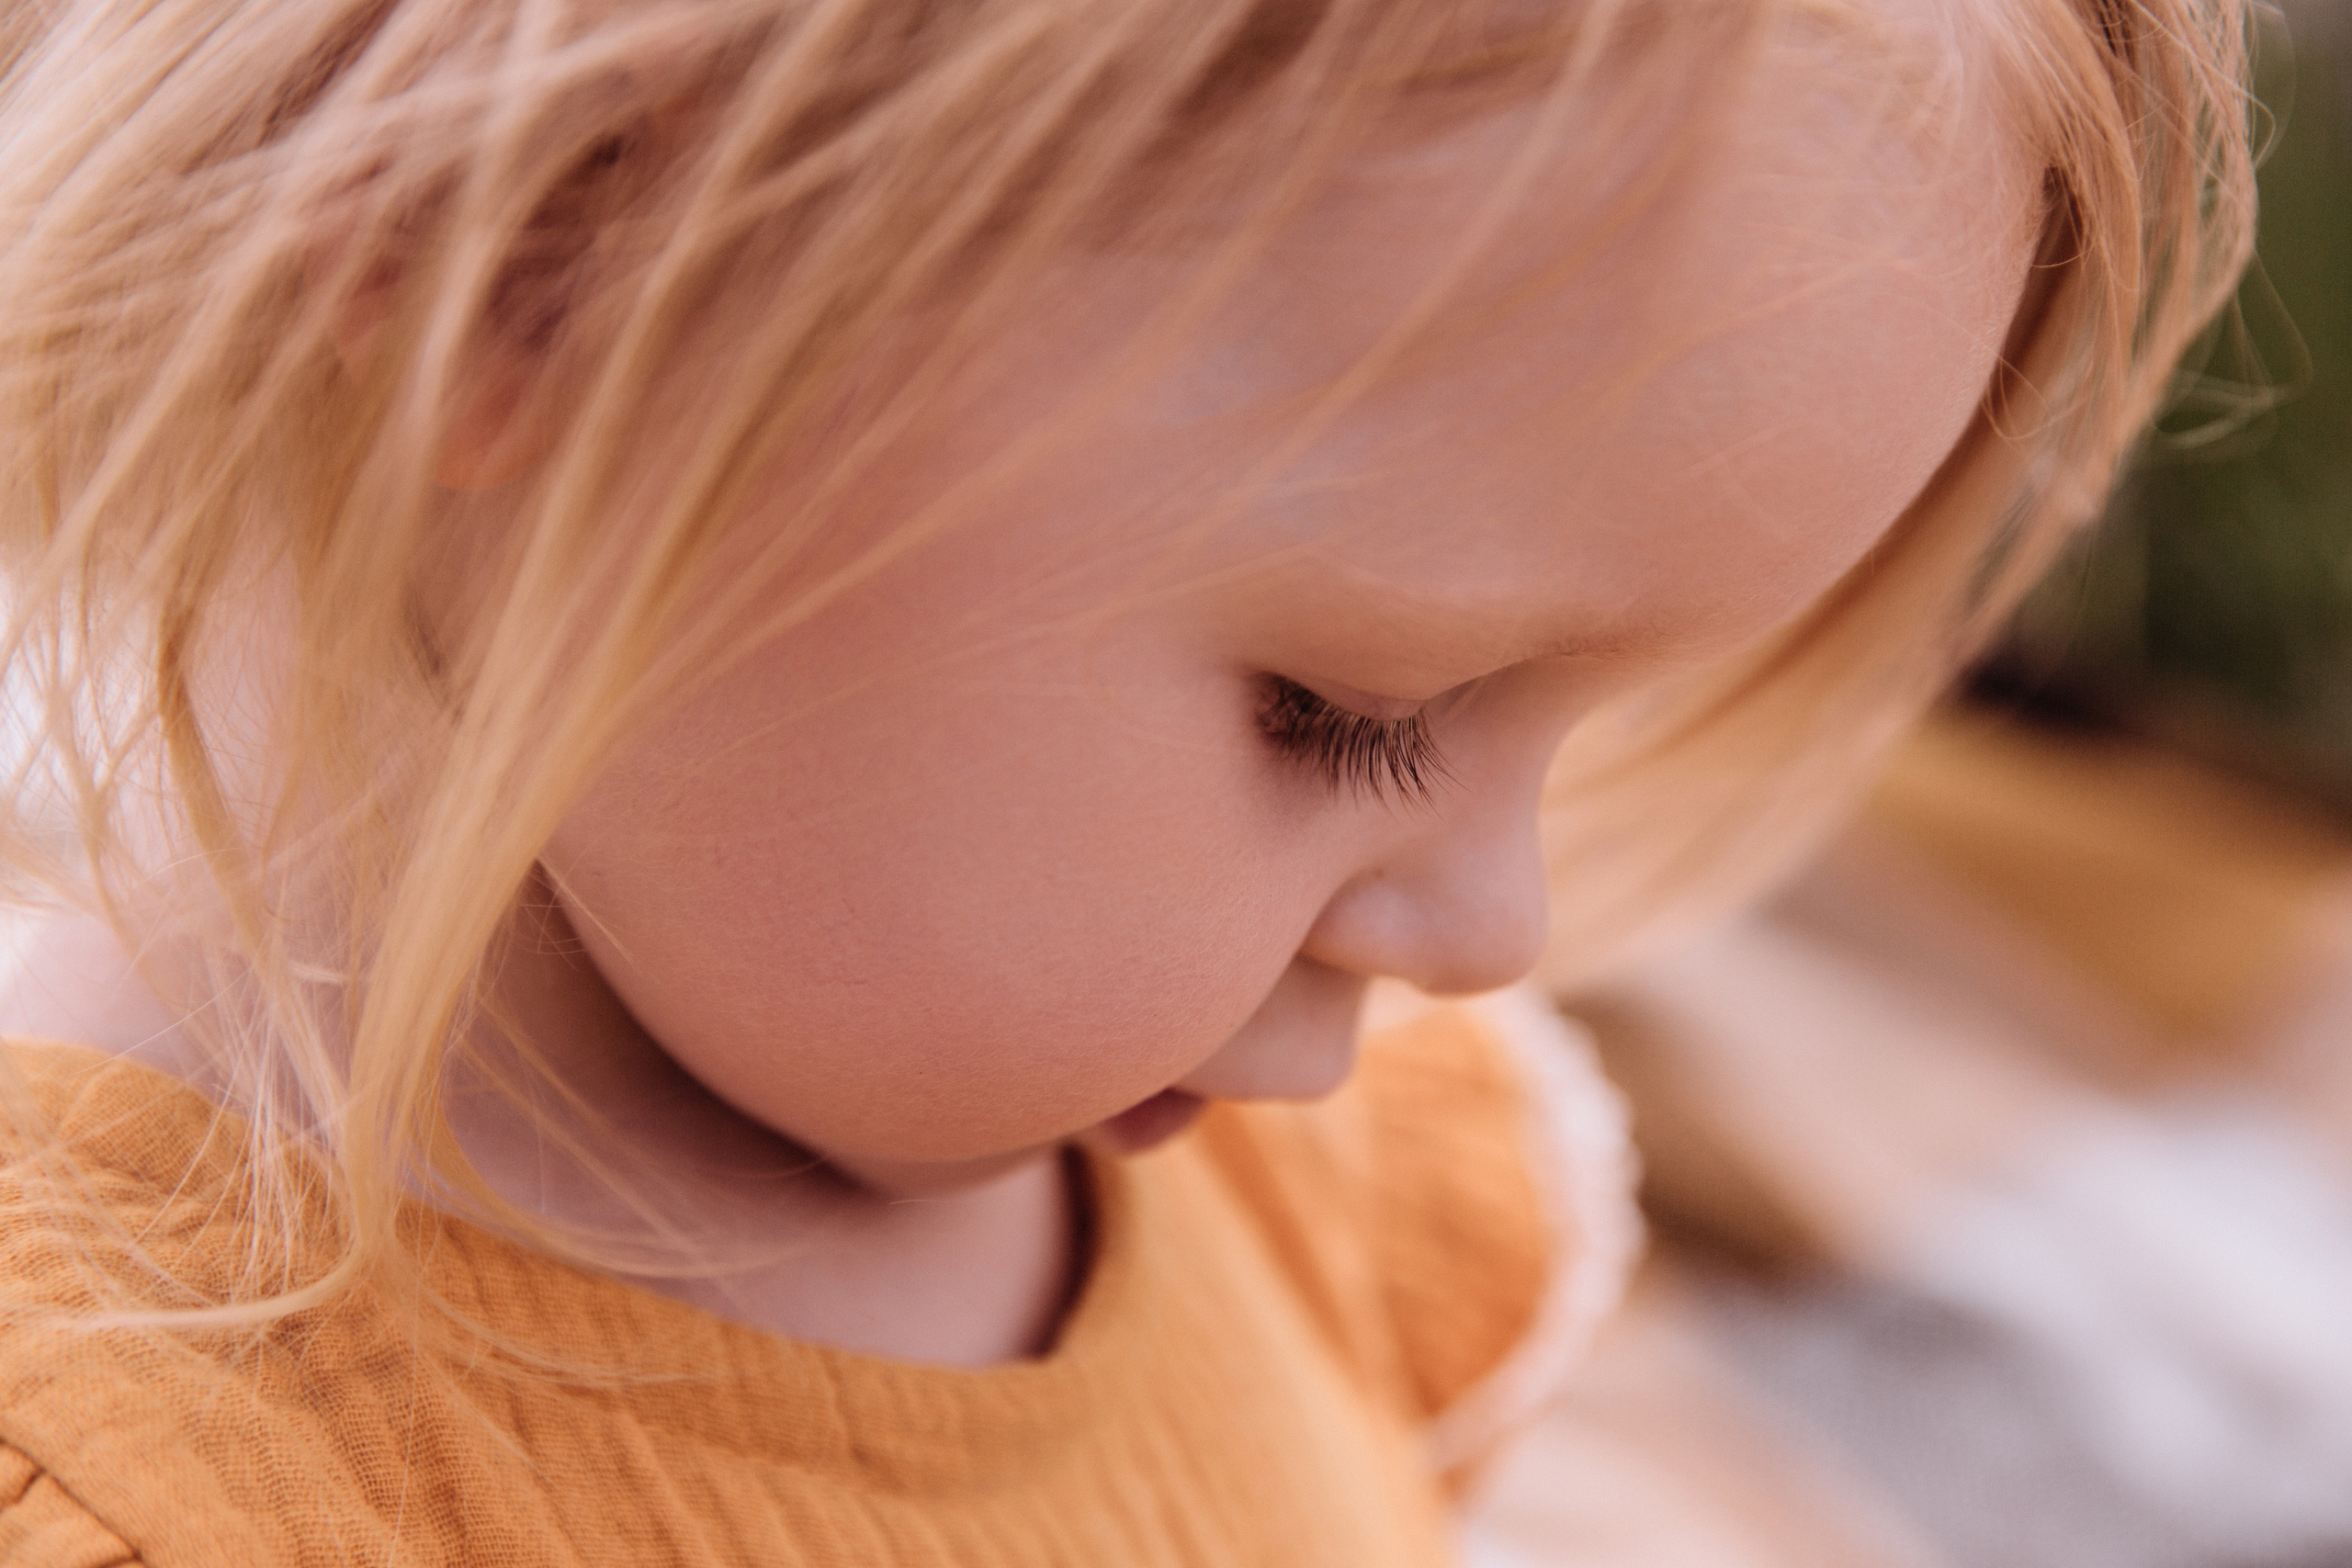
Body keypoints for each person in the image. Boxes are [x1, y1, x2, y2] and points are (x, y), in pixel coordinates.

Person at [0, 1, 2252, 1563]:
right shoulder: (118, 1473)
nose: (1490, 924)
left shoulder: (1321, 1196)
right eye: (1355, 711)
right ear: (542, 256)